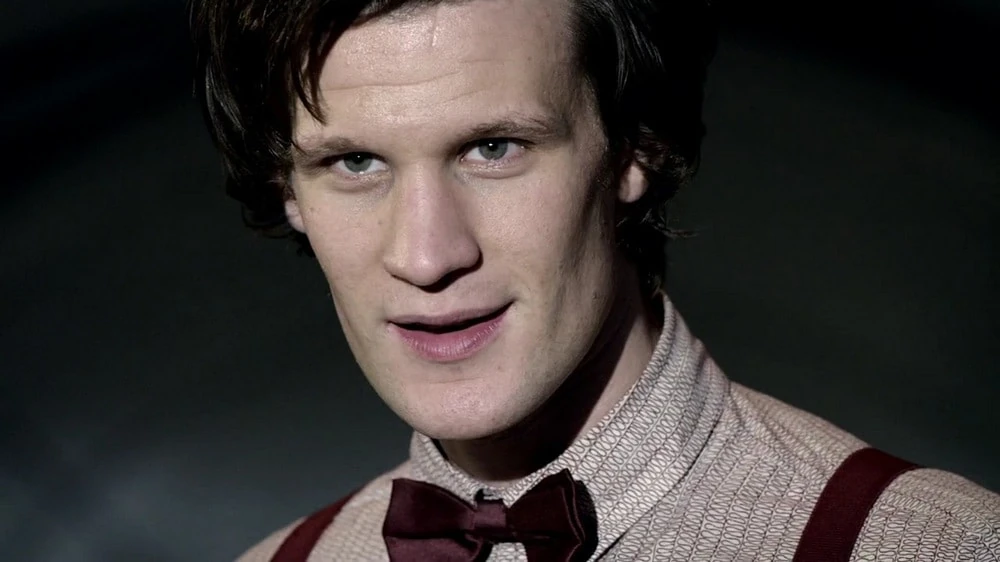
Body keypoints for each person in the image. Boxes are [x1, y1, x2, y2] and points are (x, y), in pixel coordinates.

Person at [189, 0, 1000, 560]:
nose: (427, 256)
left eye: (494, 148)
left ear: (636, 148)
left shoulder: (931, 545)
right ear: (288, 191)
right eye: (355, 163)